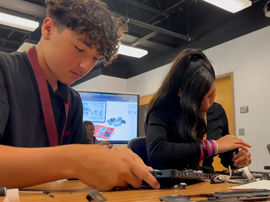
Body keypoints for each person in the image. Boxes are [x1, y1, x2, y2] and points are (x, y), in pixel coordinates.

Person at [0, 0, 160, 190]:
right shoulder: (4, 70)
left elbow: (87, 162)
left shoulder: (73, 100)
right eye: (80, 49)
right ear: (49, 29)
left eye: (95, 58)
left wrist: (112, 159)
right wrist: (76, 160)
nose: (86, 66)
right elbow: (79, 159)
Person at [145, 48, 251, 173]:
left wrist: (238, 159)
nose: (207, 106)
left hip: (207, 184)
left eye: (211, 94)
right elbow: (157, 151)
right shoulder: (162, 110)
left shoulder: (218, 111)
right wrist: (212, 147)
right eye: (198, 100)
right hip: (172, 186)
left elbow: (227, 159)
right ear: (180, 91)